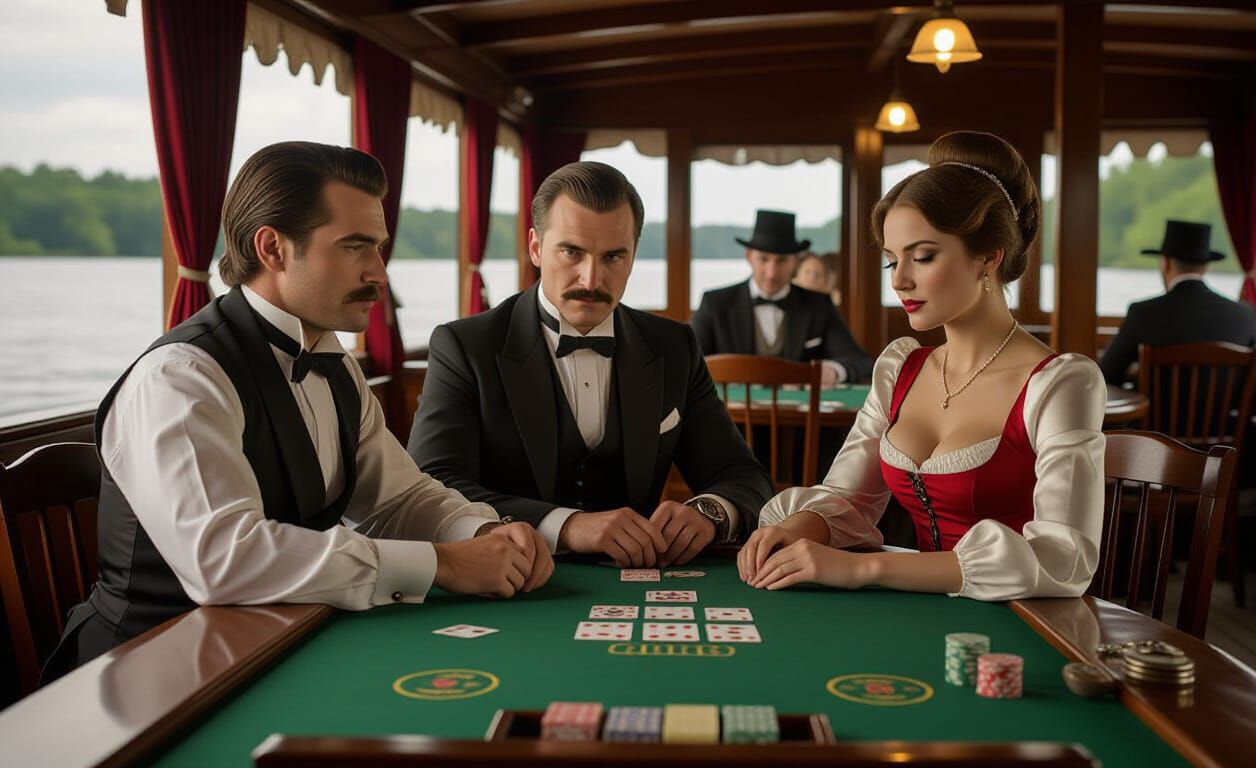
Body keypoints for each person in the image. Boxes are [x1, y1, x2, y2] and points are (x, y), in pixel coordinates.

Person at [46, 142, 552, 677]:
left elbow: (398, 498)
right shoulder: (180, 376)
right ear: (272, 248)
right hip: (149, 671)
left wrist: (478, 532)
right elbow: (225, 560)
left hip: (278, 649)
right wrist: (444, 564)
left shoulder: (337, 365)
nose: (380, 273)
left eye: (379, 248)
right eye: (356, 247)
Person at [737, 131, 1106, 601]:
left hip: (1026, 621)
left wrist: (863, 568)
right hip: (922, 615)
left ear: (988, 257)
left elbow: (1063, 558)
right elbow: (850, 499)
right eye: (892, 261)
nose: (901, 280)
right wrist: (800, 528)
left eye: (924, 256)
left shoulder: (1060, 383)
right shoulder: (900, 368)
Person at [407, 162, 772, 568]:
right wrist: (567, 526)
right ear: (535, 248)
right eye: (571, 252)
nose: (591, 278)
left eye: (614, 256)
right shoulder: (465, 346)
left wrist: (711, 512)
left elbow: (743, 475)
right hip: (508, 580)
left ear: (633, 255)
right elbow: (433, 486)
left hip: (640, 582)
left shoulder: (674, 346)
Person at [691, 210, 871, 386]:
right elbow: (687, 360)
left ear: (795, 260)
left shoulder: (819, 304)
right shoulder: (714, 303)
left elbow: (859, 361)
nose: (771, 273)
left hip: (800, 415)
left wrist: (832, 370)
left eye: (782, 261)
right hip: (729, 415)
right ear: (749, 257)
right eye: (763, 259)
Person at [1098, 219, 1256, 385]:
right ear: (1205, 267)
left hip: (1157, 412)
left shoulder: (1143, 313)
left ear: (1165, 263)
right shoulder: (1245, 315)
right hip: (1228, 412)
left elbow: (1107, 374)